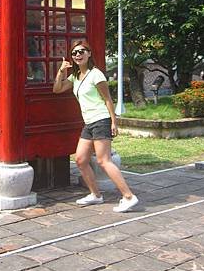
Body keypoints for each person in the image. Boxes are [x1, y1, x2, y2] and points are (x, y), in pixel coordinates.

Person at [53, 39, 139, 212]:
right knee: (81, 159)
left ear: (89, 53)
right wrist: (61, 70)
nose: (78, 55)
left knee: (103, 160)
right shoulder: (75, 76)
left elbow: (107, 99)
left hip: (101, 120)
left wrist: (114, 122)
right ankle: (96, 195)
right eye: (75, 53)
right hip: (89, 122)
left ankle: (129, 196)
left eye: (82, 51)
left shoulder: (96, 74)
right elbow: (57, 89)